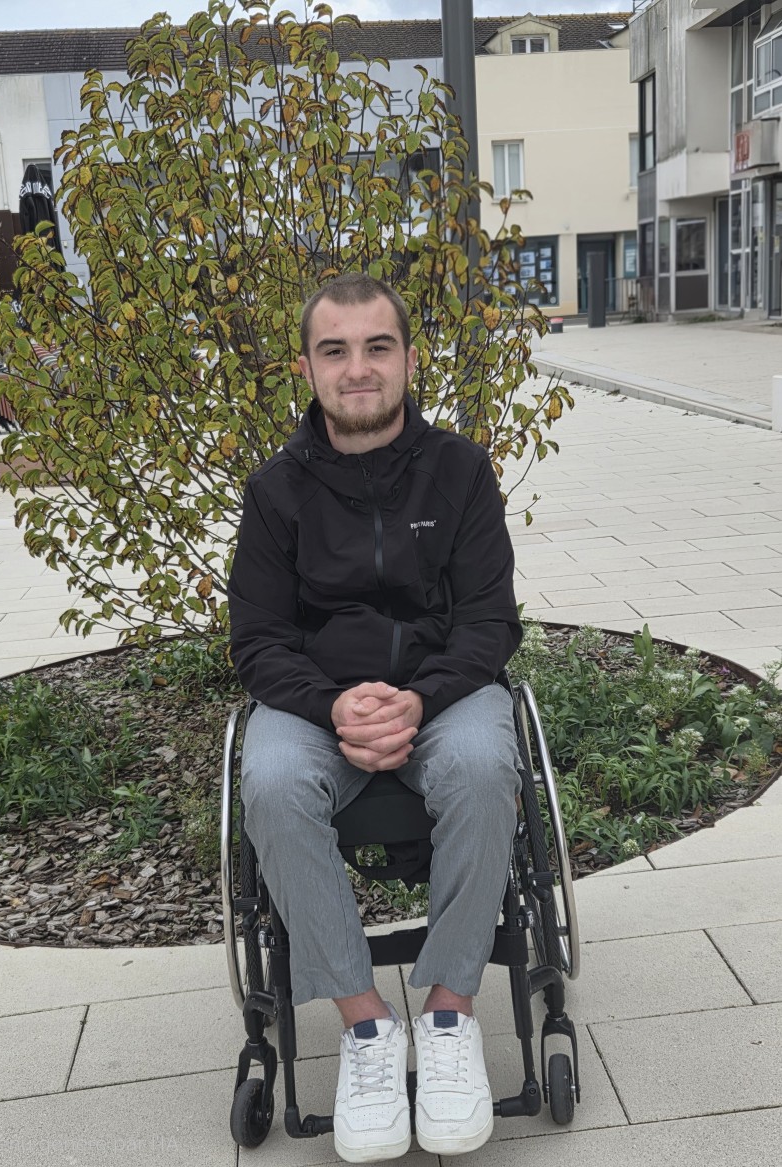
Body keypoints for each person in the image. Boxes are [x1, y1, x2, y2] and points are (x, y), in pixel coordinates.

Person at [227, 273, 523, 1162]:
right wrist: (332, 703)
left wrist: (420, 696)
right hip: (315, 703)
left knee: (482, 765)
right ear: (307, 368)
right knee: (270, 779)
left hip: (441, 691)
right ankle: (365, 1028)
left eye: (376, 347)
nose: (357, 368)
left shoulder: (460, 471)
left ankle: (448, 1016)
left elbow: (489, 621)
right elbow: (257, 639)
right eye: (335, 350)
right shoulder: (274, 491)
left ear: (408, 359)